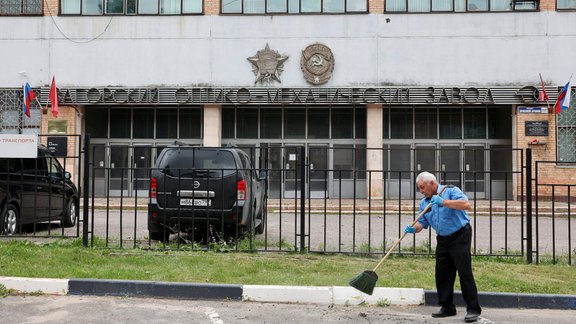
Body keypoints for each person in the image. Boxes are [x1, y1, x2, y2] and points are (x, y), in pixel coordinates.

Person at [404, 172, 482, 323]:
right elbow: (423, 223)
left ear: (432, 183)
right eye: (419, 188)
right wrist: (414, 228)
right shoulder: (424, 203)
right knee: (442, 274)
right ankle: (447, 307)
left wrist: (444, 202)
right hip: (442, 239)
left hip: (460, 235)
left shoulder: (451, 191)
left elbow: (466, 205)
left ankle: (473, 309)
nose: (420, 191)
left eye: (422, 187)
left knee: (464, 271)